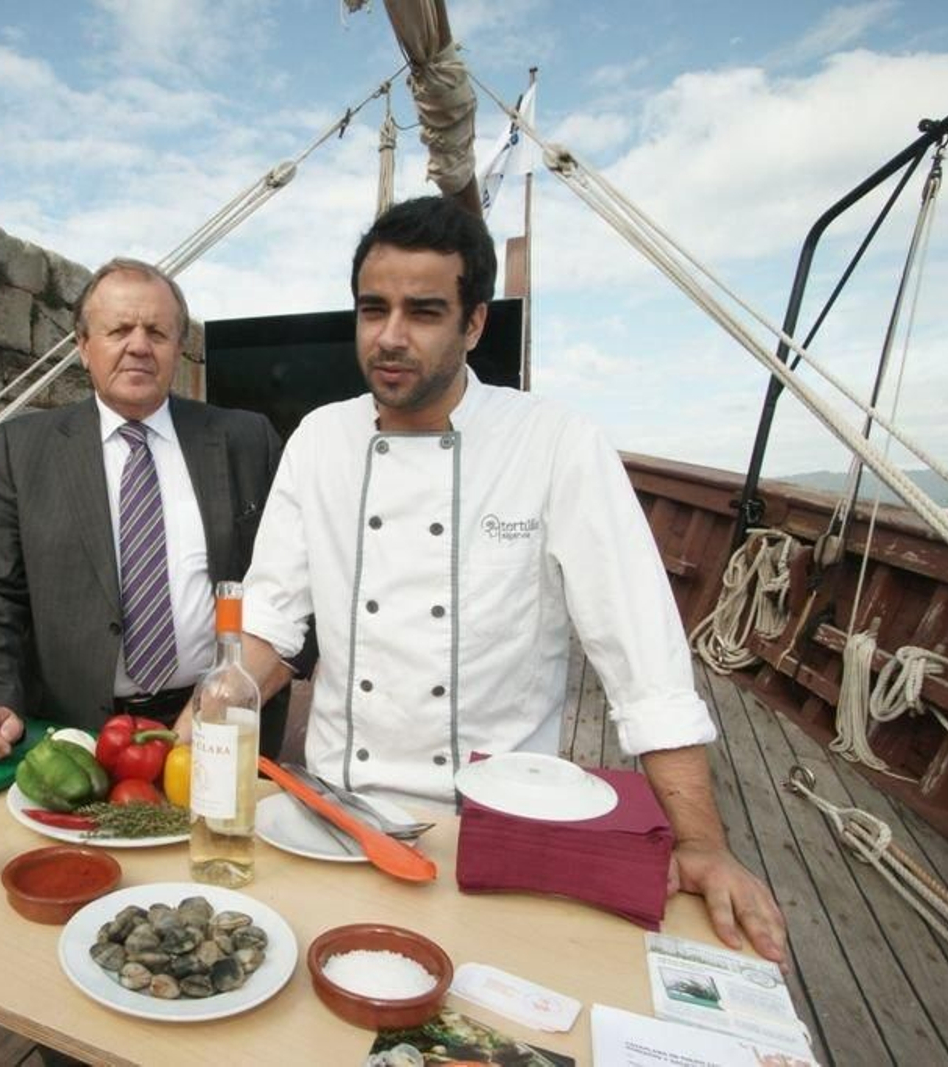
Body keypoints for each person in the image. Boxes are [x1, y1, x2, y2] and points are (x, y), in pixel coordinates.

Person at [225, 196, 789, 965]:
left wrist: (701, 842)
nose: (390, 336)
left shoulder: (555, 443)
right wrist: (198, 724)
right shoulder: (320, 439)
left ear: (474, 324)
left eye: (424, 311)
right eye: (373, 309)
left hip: (497, 827)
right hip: (334, 813)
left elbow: (642, 659)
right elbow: (268, 624)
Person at [0, 257, 298, 764]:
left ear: (179, 348)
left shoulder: (247, 440)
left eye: (157, 332)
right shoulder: (23, 449)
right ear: (82, 346)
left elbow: (292, 583)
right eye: (119, 330)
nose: (139, 345)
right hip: (75, 732)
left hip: (222, 725)